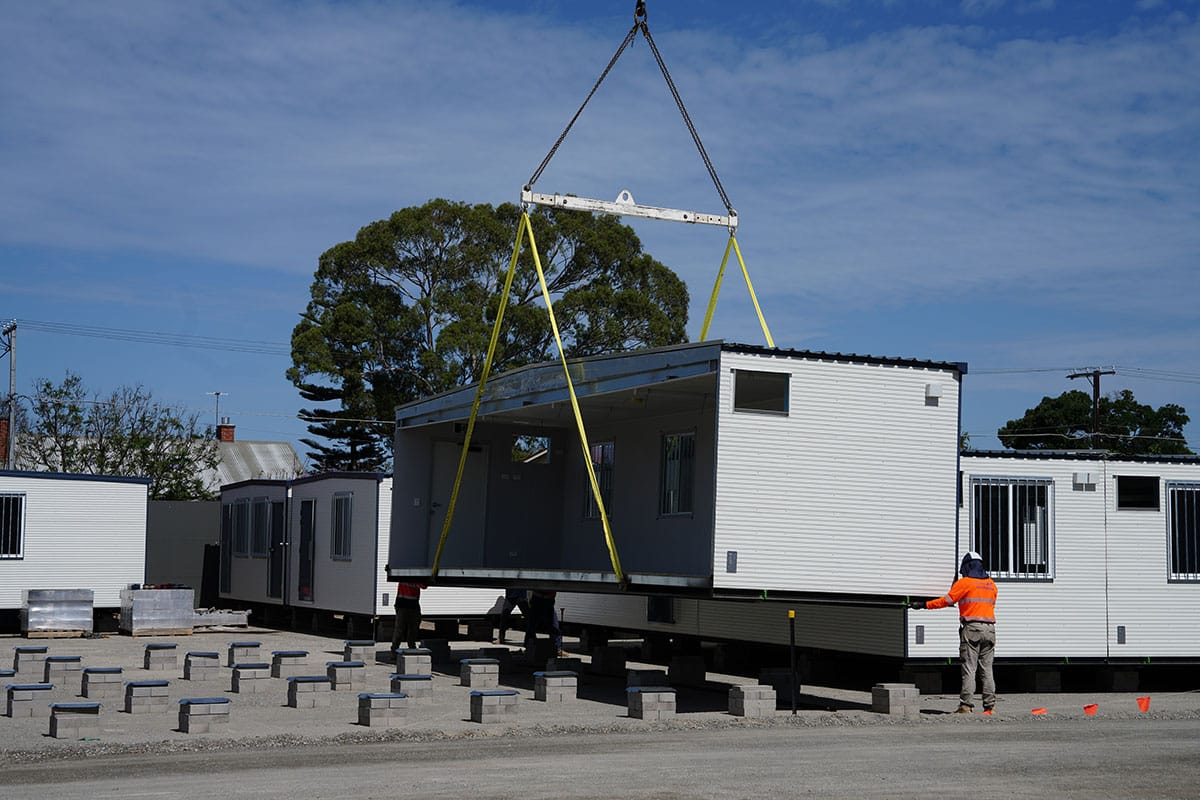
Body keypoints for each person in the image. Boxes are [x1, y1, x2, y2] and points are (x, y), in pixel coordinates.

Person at [911, 550, 998, 714]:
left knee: (969, 668)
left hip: (972, 629)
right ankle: (990, 707)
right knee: (987, 669)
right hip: (990, 630)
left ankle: (966, 706)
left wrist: (923, 604)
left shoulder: (965, 583)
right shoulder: (991, 585)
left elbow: (947, 601)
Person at [525, 589, 562, 656]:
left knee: (553, 626)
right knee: (532, 625)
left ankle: (557, 648)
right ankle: (529, 647)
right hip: (539, 598)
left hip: (546, 598)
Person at [391, 581, 425, 653]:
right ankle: (395, 649)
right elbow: (423, 585)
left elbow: (424, 586)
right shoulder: (404, 575)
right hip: (404, 604)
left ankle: (411, 647)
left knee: (412, 628)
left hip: (412, 604)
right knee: (400, 629)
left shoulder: (416, 576)